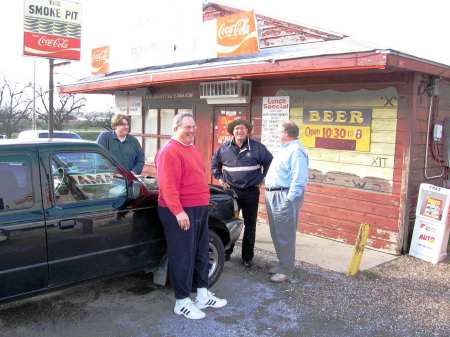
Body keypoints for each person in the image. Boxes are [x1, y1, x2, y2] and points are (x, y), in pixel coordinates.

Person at [156, 112, 227, 320]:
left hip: (198, 208)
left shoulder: (191, 149)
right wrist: (178, 211)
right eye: (187, 127)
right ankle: (182, 301)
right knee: (183, 255)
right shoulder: (169, 151)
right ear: (176, 128)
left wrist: (204, 200)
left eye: (194, 127)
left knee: (200, 252)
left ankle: (202, 293)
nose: (192, 131)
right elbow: (167, 186)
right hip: (180, 211)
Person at [211, 119, 273, 267]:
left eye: (243, 129)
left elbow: (270, 162)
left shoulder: (258, 148)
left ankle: (247, 257)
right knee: (229, 223)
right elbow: (214, 165)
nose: (240, 131)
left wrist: (263, 178)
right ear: (233, 131)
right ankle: (226, 252)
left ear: (247, 131)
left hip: (251, 192)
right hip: (231, 193)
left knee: (250, 225)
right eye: (237, 129)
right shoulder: (223, 148)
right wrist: (220, 179)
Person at [264, 121, 309, 283]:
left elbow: (299, 178)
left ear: (286, 133)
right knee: (277, 232)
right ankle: (282, 264)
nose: (277, 133)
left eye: (278, 131)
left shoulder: (296, 151)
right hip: (273, 195)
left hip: (284, 196)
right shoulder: (285, 149)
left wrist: (289, 200)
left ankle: (286, 270)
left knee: (285, 234)